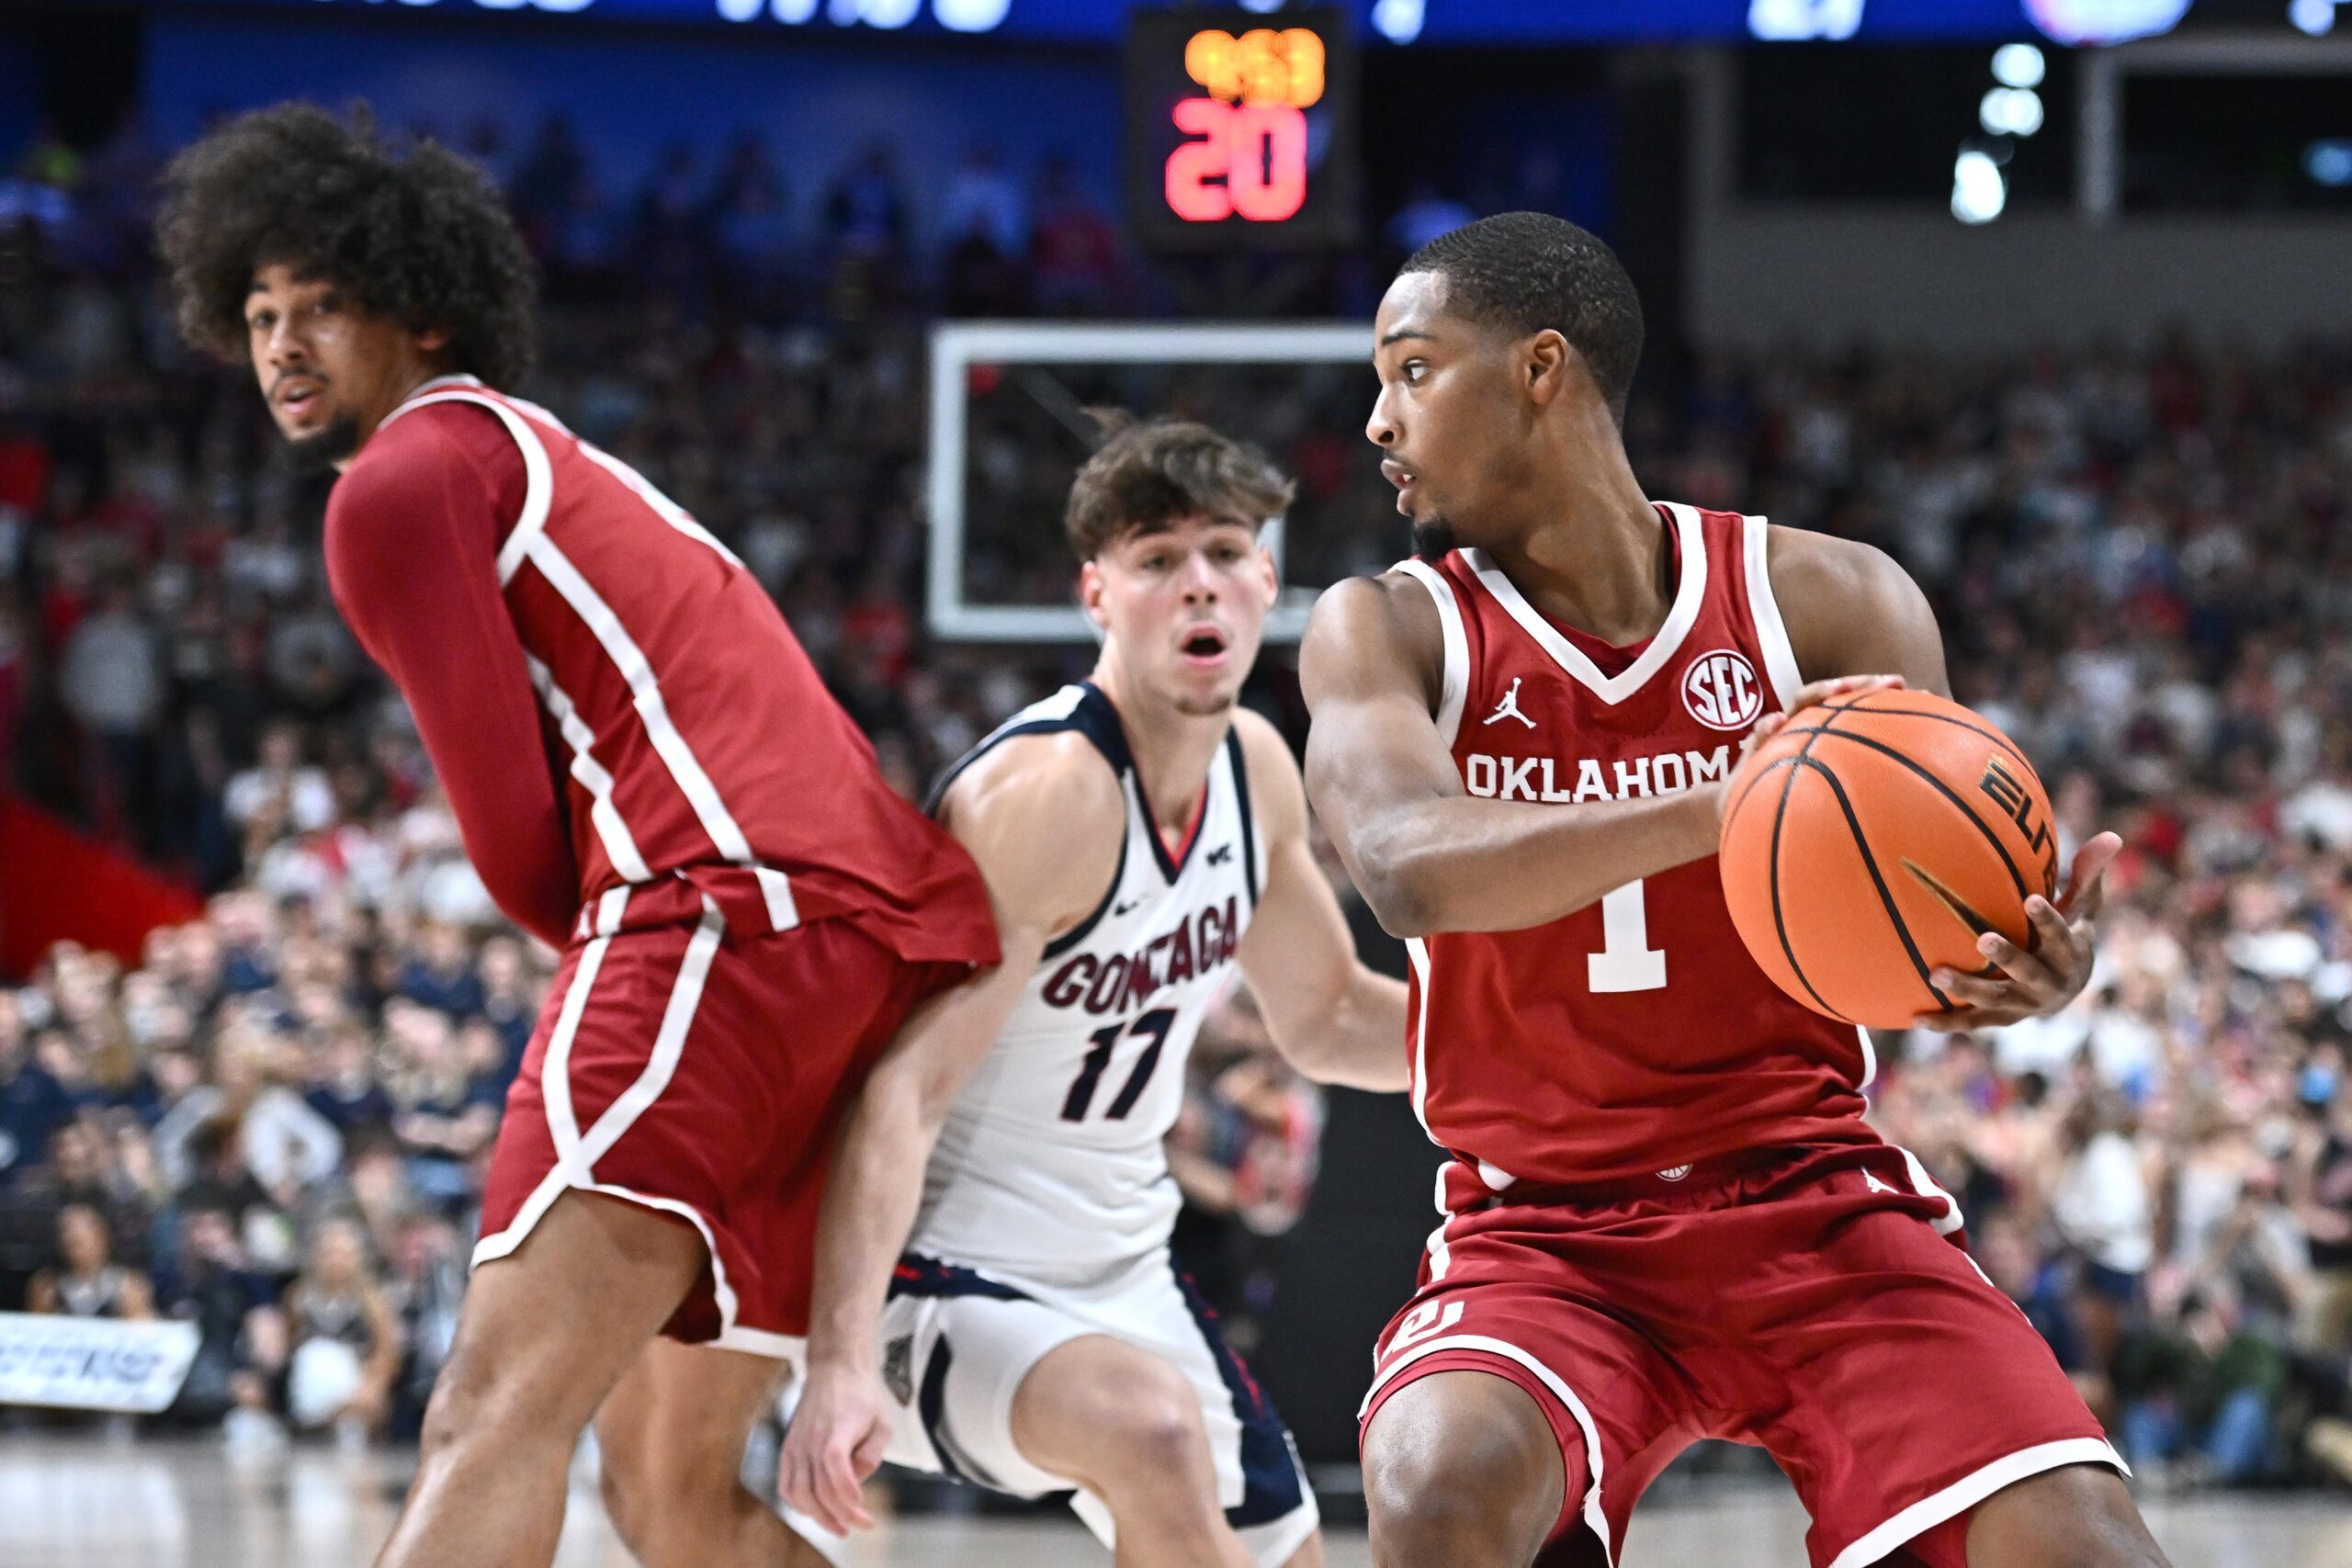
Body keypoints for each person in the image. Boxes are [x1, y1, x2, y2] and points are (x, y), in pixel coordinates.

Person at [155, 103, 997, 1568]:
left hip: (719, 918)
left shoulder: (405, 478)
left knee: (488, 1411)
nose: (282, 345)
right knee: (672, 1494)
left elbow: (507, 834)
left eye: (321, 308)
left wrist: (644, 987)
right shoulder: (539, 451)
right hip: (851, 941)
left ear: (420, 311)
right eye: (259, 314)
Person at [1298, 213, 2171, 1568]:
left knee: (2089, 1547)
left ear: (1542, 369)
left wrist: (2004, 969)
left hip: (1813, 1189)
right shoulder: (1393, 625)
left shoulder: (1833, 602)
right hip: (1545, 1227)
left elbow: (1908, 929)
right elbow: (1406, 867)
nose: (1376, 418)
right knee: (1436, 1482)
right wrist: (1735, 797)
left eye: (1411, 370)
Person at [780, 418, 1408, 1567]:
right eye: (1158, 560)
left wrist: (1542, 1041)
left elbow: (1329, 1016)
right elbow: (900, 1093)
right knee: (1152, 1432)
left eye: (1225, 552)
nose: (1198, 587)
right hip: (938, 1279)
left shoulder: (1257, 765)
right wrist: (836, 1363)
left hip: (1127, 1276)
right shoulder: (1050, 793)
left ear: (1268, 581)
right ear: (1095, 594)